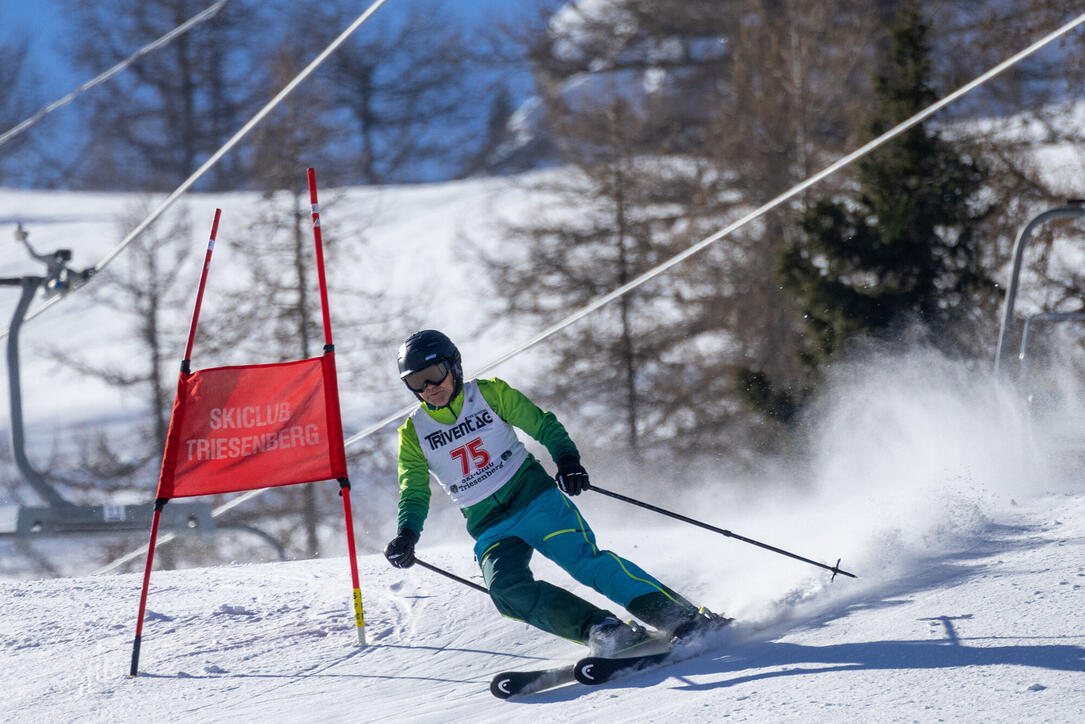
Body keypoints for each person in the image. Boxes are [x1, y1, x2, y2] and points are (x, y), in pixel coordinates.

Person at [384, 330, 726, 657]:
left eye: (434, 373)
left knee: (585, 564)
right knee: (505, 590)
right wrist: (406, 533)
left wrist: (567, 460)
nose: (429, 387)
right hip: (488, 525)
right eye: (416, 381)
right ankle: (604, 630)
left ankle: (682, 617)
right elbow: (413, 490)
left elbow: (543, 424)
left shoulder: (489, 394)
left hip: (534, 499)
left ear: (453, 366)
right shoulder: (414, 433)